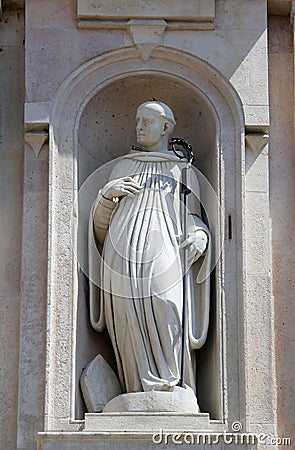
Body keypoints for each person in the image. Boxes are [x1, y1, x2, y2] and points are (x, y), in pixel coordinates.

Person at [89, 101, 210, 395]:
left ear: (166, 127)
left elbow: (193, 216)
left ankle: (170, 384)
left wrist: (199, 236)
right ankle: (136, 389)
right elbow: (99, 231)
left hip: (165, 249)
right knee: (128, 318)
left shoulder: (183, 172)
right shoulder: (122, 167)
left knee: (167, 305)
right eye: (137, 120)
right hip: (121, 254)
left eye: (147, 121)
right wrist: (107, 197)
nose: (139, 127)